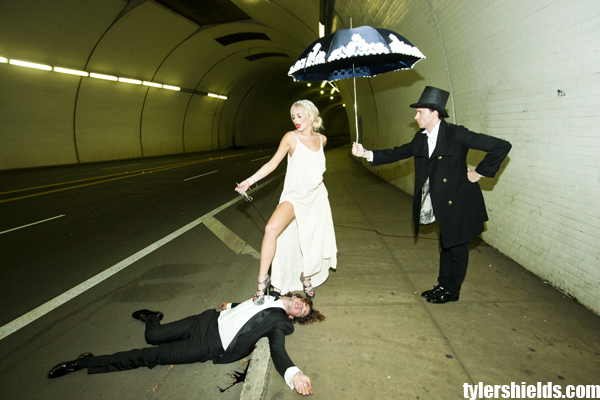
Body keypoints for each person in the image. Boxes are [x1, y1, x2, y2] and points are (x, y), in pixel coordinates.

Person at [352, 86, 511, 304]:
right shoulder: (421, 138)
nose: (415, 117)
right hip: (441, 201)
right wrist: (366, 153)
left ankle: (452, 291)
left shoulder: (456, 133)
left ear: (434, 113)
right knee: (446, 244)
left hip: (460, 200)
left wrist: (478, 173)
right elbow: (398, 152)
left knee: (457, 247)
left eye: (420, 112)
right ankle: (443, 285)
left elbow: (501, 146)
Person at [47, 292, 325, 396]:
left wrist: (294, 374)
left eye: (303, 312)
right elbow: (252, 305)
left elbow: (277, 348)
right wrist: (231, 305)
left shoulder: (281, 323)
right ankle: (152, 318)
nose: (301, 307)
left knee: (150, 355)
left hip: (209, 345)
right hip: (206, 321)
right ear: (295, 296)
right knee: (153, 335)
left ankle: (83, 362)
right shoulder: (270, 294)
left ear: (293, 317)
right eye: (303, 303)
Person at [235, 100, 337, 305]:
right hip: (294, 197)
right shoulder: (291, 138)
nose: (295, 120)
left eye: (299, 116)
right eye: (293, 117)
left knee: (311, 241)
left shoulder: (322, 140)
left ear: (310, 116)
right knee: (271, 229)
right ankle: (262, 282)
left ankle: (306, 276)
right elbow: (272, 163)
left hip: (316, 197)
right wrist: (249, 181)